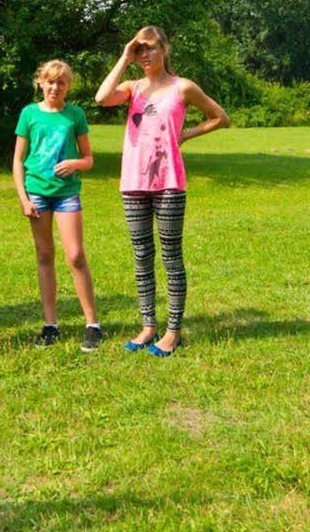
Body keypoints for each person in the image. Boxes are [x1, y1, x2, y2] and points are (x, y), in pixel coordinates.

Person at [94, 26, 229, 357]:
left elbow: (220, 118)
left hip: (168, 181)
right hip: (134, 182)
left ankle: (173, 332)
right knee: (141, 255)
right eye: (140, 50)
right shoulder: (132, 88)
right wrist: (124, 57)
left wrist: (185, 136)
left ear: (165, 49)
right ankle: (148, 326)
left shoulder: (182, 87)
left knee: (170, 255)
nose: (145, 55)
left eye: (150, 48)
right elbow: (100, 98)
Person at [12, 59, 102, 351]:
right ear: (41, 83)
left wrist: (75, 163)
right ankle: (51, 325)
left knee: (75, 255)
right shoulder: (29, 113)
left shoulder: (75, 114)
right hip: (37, 193)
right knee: (45, 256)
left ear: (68, 86)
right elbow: (17, 160)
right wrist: (23, 198)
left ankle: (92, 324)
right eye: (50, 81)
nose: (55, 87)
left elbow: (89, 159)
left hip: (66, 194)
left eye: (61, 82)